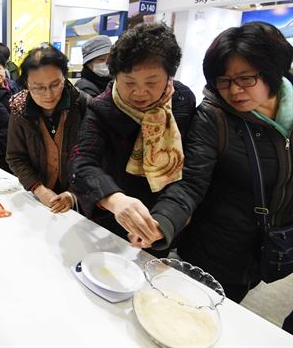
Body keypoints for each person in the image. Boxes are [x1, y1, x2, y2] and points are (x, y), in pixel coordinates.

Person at [147, 22, 293, 304]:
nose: (233, 90)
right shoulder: (213, 117)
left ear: (273, 70)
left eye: (245, 78)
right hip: (214, 253)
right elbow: (190, 183)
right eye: (223, 80)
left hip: (269, 249)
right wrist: (162, 222)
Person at [69, 23, 195, 248]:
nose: (139, 92)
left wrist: (165, 218)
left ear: (169, 76)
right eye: (129, 82)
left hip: (161, 216)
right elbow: (81, 162)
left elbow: (191, 171)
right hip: (114, 216)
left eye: (151, 82)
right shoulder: (102, 107)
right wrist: (114, 199)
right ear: (115, 75)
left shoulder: (182, 101)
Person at [7, 46, 88, 214]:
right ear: (27, 84)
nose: (49, 95)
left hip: (81, 196)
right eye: (38, 87)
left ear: (64, 78)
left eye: (55, 84)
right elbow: (15, 157)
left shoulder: (82, 105)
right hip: (39, 198)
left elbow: (95, 157)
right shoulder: (19, 109)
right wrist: (38, 189)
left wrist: (72, 194)